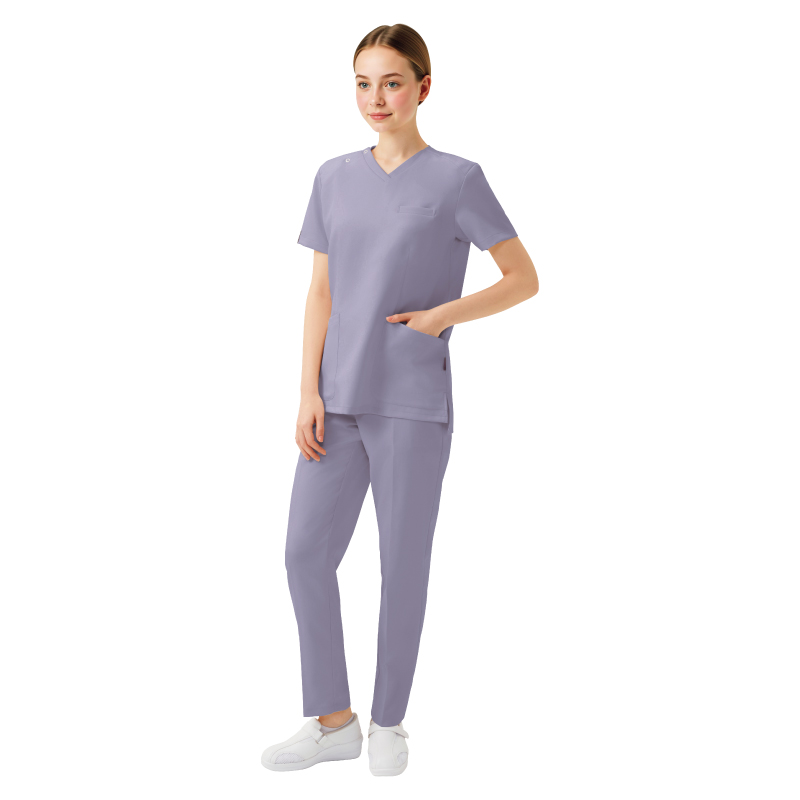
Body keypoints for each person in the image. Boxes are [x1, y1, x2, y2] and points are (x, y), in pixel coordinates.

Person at [261, 23, 539, 777]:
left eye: (391, 82)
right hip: (337, 400)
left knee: (401, 564)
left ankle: (388, 721)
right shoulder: (332, 177)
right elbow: (321, 292)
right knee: (304, 553)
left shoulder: (457, 180)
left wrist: (444, 315)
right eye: (363, 83)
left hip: (411, 400)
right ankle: (334, 721)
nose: (376, 98)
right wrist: (307, 389)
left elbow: (522, 277)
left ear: (423, 87)